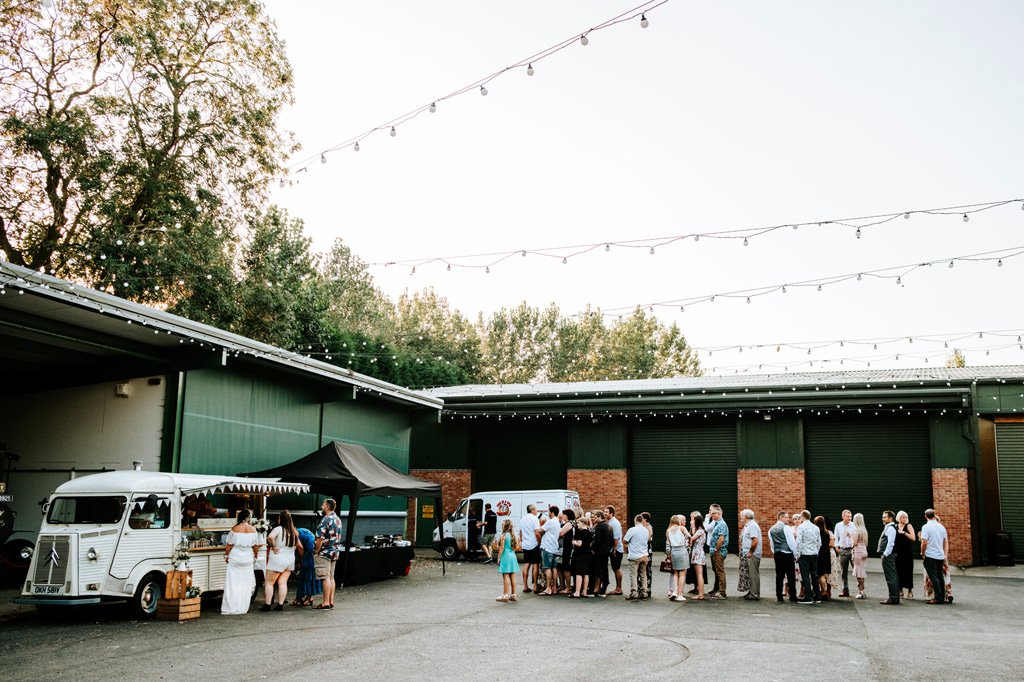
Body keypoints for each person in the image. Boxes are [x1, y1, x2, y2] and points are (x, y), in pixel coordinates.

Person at [222, 509, 260, 615]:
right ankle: (242, 607)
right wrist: (255, 556)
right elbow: (255, 546)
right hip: (247, 557)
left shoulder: (235, 528)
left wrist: (226, 555)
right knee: (245, 583)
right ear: (248, 518)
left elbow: (229, 545)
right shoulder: (253, 529)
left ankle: (230, 607)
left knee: (232, 583)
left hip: (235, 557)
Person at [261, 510, 300, 611]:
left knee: (269, 583)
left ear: (281, 519)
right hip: (289, 560)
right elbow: (296, 545)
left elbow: (270, 537)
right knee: (282, 583)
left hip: (277, 559)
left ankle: (268, 605)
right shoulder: (294, 531)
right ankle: (280, 605)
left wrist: (273, 546)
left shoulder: (278, 529)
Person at [314, 498, 343, 610]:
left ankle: (325, 602)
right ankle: (331, 600)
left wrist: (316, 551)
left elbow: (320, 538)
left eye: (323, 504)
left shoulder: (325, 520)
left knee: (324, 577)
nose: (322, 506)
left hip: (325, 551)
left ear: (327, 506)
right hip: (335, 550)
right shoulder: (337, 519)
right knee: (331, 577)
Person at [919, 508, 949, 605]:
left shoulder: (926, 527)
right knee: (940, 576)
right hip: (940, 555)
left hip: (930, 555)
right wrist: (944, 554)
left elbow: (924, 542)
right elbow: (945, 542)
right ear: (935, 515)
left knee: (933, 577)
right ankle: (943, 596)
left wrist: (922, 553)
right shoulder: (941, 527)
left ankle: (938, 597)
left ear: (925, 516)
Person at [769, 511, 797, 602]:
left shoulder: (771, 529)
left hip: (777, 554)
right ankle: (792, 596)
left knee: (779, 575)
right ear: (781, 517)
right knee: (790, 576)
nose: (788, 519)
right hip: (787, 554)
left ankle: (779, 596)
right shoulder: (786, 528)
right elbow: (791, 542)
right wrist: (796, 554)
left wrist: (775, 552)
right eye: (786, 517)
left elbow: (772, 544)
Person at [796, 510, 821, 604]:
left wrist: (797, 555)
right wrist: (816, 552)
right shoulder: (816, 528)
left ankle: (808, 597)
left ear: (802, 517)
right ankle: (817, 596)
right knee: (814, 575)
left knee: (805, 575)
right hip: (814, 554)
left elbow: (798, 542)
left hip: (804, 554)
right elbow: (819, 543)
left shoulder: (801, 527)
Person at [293, 525, 321, 607]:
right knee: (304, 574)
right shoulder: (296, 531)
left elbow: (299, 548)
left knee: (308, 574)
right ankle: (301, 596)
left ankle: (309, 596)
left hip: (309, 550)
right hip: (308, 545)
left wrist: (300, 561)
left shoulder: (294, 533)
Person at [624, 514, 649, 600]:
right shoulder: (646, 530)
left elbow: (625, 540)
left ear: (635, 520)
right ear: (642, 521)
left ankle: (634, 592)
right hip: (644, 555)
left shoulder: (632, 530)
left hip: (634, 555)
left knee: (633, 575)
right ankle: (644, 592)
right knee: (643, 574)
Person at [495, 518, 521, 602]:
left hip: (505, 556)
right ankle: (513, 594)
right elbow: (516, 547)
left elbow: (502, 547)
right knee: (512, 576)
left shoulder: (503, 535)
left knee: (505, 575)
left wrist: (498, 557)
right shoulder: (512, 535)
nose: (501, 526)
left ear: (505, 526)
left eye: (502, 525)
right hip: (512, 556)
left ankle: (505, 594)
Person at [738, 509, 761, 601]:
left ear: (746, 517)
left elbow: (755, 541)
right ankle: (752, 592)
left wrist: (750, 552)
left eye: (741, 516)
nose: (740, 518)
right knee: (750, 574)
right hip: (749, 553)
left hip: (752, 554)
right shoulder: (749, 525)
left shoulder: (752, 526)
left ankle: (754, 594)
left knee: (753, 575)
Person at [666, 515, 690, 601]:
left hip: (674, 552)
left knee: (675, 573)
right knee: (682, 574)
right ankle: (680, 594)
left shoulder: (668, 530)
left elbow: (668, 542)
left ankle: (675, 591)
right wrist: (688, 543)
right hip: (682, 550)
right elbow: (689, 536)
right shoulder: (682, 528)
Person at [878, 510, 900, 605]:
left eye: (885, 517)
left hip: (889, 555)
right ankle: (894, 597)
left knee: (890, 576)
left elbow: (891, 543)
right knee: (892, 576)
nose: (883, 518)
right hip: (889, 555)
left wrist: (885, 554)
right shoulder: (889, 527)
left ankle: (893, 597)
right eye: (883, 517)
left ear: (890, 518)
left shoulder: (891, 528)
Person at [707, 504, 729, 600]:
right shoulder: (717, 523)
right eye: (711, 513)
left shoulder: (721, 524)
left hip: (719, 551)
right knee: (718, 571)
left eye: (713, 513)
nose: (711, 515)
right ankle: (719, 591)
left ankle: (722, 593)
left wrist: (715, 549)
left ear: (719, 513)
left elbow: (721, 539)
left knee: (720, 572)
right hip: (716, 551)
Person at [539, 505, 562, 596]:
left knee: (547, 567)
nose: (548, 513)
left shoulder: (550, 521)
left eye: (549, 512)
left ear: (552, 512)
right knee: (554, 568)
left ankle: (548, 587)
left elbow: (540, 530)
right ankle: (555, 588)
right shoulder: (557, 522)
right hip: (554, 547)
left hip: (547, 547)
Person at [590, 510, 613, 597]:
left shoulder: (600, 527)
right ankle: (602, 586)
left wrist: (593, 548)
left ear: (600, 517)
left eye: (596, 517)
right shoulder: (608, 526)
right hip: (605, 550)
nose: (594, 519)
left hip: (599, 551)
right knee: (604, 568)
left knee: (600, 570)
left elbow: (597, 541)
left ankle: (601, 588)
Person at [519, 504, 541, 594]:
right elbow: (537, 532)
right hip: (534, 543)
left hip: (525, 544)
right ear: (532, 510)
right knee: (535, 565)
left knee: (526, 564)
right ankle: (535, 586)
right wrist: (540, 542)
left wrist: (521, 541)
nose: (537, 511)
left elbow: (520, 532)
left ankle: (525, 586)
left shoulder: (522, 519)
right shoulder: (535, 519)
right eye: (536, 509)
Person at [895, 510, 917, 600]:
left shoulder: (909, 526)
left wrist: (904, 532)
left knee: (908, 570)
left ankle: (910, 591)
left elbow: (913, 538)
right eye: (903, 517)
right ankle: (900, 590)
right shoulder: (895, 526)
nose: (904, 519)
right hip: (898, 552)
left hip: (907, 552)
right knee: (898, 570)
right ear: (899, 518)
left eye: (906, 517)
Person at [833, 509, 855, 597]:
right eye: (847, 516)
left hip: (853, 550)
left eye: (850, 516)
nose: (849, 518)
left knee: (857, 570)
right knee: (843, 571)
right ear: (843, 516)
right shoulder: (838, 525)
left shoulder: (854, 525)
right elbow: (835, 537)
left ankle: (860, 590)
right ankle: (845, 589)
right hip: (843, 550)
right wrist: (836, 547)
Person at [571, 516, 594, 598]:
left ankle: (577, 592)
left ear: (583, 523)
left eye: (578, 523)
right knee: (586, 573)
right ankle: (584, 591)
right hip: (588, 554)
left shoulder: (580, 532)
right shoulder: (589, 532)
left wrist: (574, 542)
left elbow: (579, 544)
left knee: (579, 573)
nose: (577, 525)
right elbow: (590, 544)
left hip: (581, 554)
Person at [605, 505, 625, 595]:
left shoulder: (614, 523)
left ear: (612, 513)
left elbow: (616, 538)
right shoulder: (610, 522)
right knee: (614, 568)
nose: (605, 514)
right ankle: (618, 588)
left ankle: (619, 588)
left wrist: (614, 549)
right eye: (604, 512)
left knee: (616, 568)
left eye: (606, 512)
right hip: (614, 549)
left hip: (617, 550)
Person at [814, 516, 833, 601]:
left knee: (820, 574)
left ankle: (823, 592)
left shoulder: (817, 532)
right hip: (826, 554)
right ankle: (824, 591)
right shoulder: (827, 532)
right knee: (824, 574)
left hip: (820, 554)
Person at [688, 512, 707, 600]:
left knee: (699, 574)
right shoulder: (701, 531)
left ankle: (701, 594)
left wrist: (692, 529)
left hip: (697, 553)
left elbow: (691, 539)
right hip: (699, 552)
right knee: (698, 574)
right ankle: (700, 593)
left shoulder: (699, 531)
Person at [851, 513, 869, 599]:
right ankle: (862, 591)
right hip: (863, 551)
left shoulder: (856, 530)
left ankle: (861, 592)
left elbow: (854, 543)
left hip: (857, 552)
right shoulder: (864, 530)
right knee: (861, 571)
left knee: (859, 573)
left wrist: (851, 539)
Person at [641, 511, 654, 599]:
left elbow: (649, 538)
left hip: (647, 549)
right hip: (642, 548)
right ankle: (641, 587)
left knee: (647, 568)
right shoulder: (642, 527)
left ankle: (647, 589)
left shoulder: (648, 527)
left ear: (645, 519)